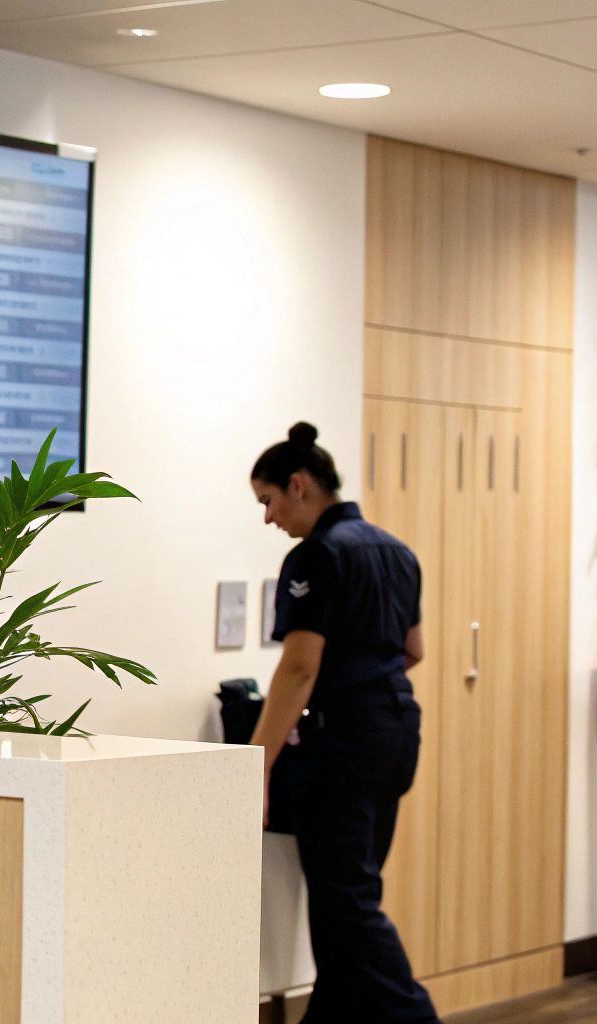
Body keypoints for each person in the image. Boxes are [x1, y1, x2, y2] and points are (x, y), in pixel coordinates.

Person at [248, 421, 438, 1023]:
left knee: (347, 904)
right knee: (342, 899)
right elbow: (414, 650)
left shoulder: (317, 556)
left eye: (268, 501)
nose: (268, 518)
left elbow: (299, 668)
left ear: (298, 485)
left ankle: (416, 1017)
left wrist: (256, 763)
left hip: (345, 745)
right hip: (395, 731)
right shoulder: (396, 549)